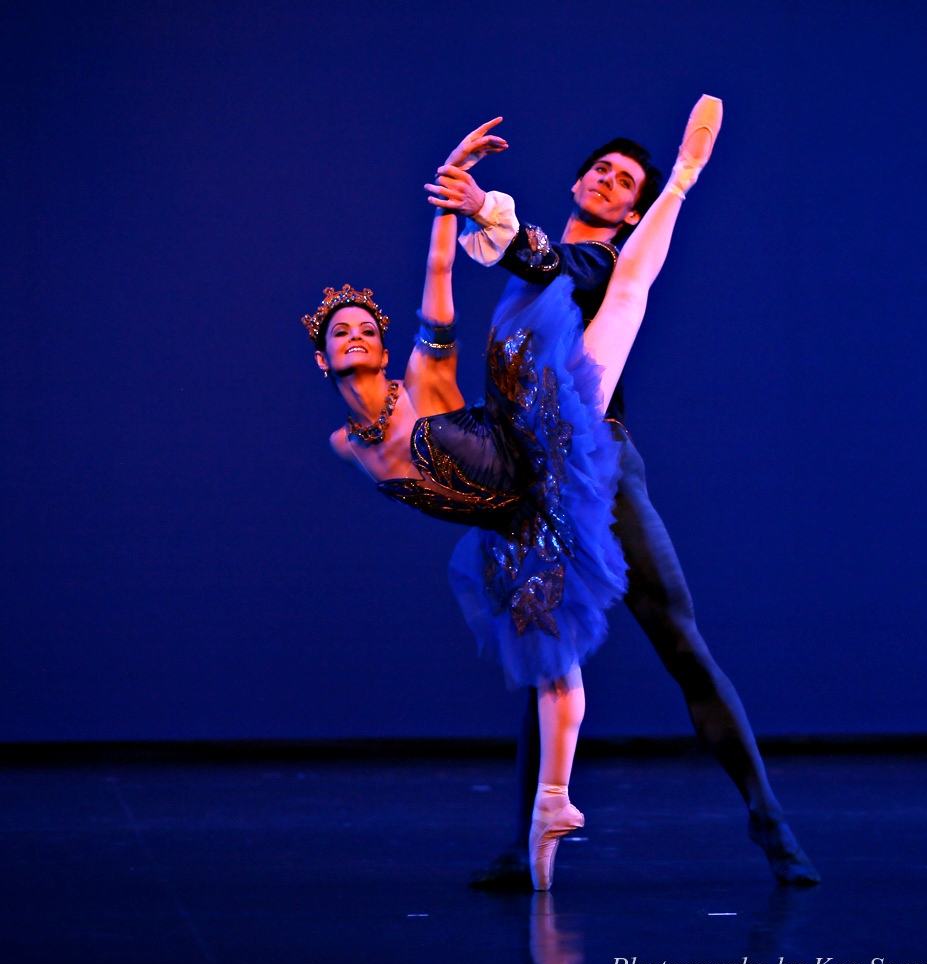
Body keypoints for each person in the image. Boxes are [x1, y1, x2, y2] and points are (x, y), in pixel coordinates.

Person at [305, 99, 722, 890]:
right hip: (519, 514)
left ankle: (682, 182)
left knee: (624, 296)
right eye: (341, 337)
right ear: (323, 364)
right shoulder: (343, 444)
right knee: (550, 664)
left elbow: (440, 280)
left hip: (541, 439)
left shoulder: (422, 381)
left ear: (387, 346)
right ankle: (549, 818)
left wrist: (456, 189)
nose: (357, 338)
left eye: (366, 330)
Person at [430, 114, 821, 890]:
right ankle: (524, 843)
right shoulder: (526, 279)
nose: (608, 180)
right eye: (600, 171)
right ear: (579, 181)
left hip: (601, 472)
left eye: (624, 182)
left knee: (680, 643)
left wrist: (483, 207)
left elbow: (548, 254)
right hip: (530, 477)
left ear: (631, 213)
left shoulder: (600, 262)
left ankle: (771, 823)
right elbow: (493, 268)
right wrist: (459, 194)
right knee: (546, 662)